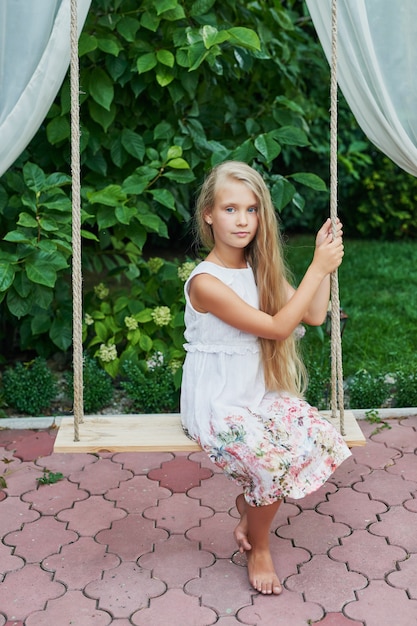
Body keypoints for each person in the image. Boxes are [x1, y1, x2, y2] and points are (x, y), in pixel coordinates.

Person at [180, 161, 351, 596]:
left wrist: (326, 267)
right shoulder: (205, 282)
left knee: (319, 436)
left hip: (258, 393)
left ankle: (249, 504)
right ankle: (259, 546)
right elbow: (276, 330)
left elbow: (312, 316)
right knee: (271, 464)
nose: (242, 220)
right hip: (217, 401)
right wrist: (316, 266)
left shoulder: (259, 271)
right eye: (231, 209)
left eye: (252, 210)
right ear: (209, 214)